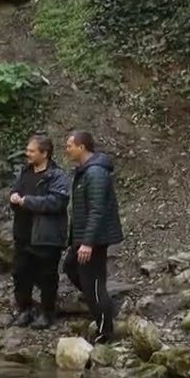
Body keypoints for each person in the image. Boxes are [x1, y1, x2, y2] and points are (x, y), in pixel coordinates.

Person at [63, 130, 124, 343]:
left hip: (94, 240)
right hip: (83, 237)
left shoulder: (96, 173)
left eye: (70, 145)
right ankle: (103, 306)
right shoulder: (85, 171)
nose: (67, 149)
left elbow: (97, 210)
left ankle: (105, 331)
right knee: (70, 267)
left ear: (81, 147)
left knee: (94, 285)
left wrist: (87, 243)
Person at [6, 133, 69, 329]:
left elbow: (57, 202)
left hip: (46, 236)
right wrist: (14, 198)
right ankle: (25, 309)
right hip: (23, 234)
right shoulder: (24, 172)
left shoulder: (57, 176)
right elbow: (14, 193)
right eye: (28, 150)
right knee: (20, 273)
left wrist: (27, 201)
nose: (28, 154)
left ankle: (47, 313)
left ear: (45, 153)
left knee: (47, 276)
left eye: (32, 151)